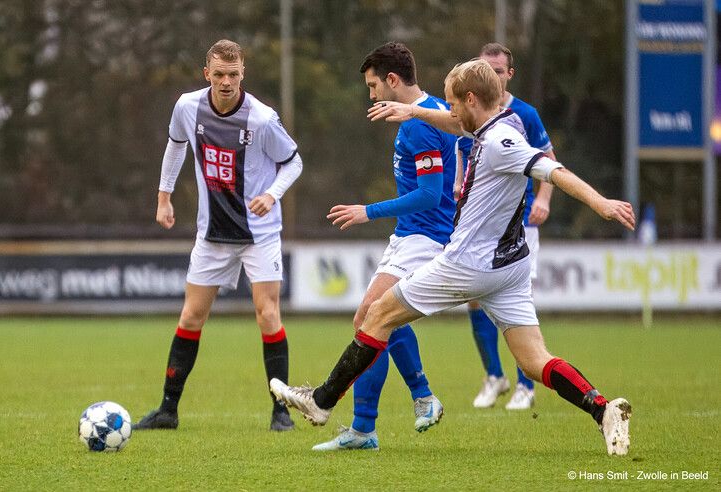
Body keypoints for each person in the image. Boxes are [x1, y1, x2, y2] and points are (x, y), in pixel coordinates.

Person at [271, 59, 635, 456]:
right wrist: (411, 110)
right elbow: (451, 123)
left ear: (472, 99)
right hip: (509, 267)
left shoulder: (500, 142)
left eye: (452, 103)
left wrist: (601, 203)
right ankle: (603, 409)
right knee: (533, 361)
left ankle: (322, 402)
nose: (449, 111)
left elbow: (553, 170)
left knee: (376, 314)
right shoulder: (500, 122)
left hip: (467, 264)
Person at [134, 39, 303, 432]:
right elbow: (176, 147)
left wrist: (271, 194)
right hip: (211, 234)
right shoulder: (186, 107)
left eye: (234, 74)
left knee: (268, 314)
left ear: (243, 73)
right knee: (192, 316)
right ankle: (167, 411)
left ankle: (280, 410)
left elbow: (293, 162)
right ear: (206, 73)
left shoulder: (261, 118)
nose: (226, 81)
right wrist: (164, 198)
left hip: (258, 233)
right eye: (219, 74)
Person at [312, 42, 464, 451]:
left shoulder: (419, 124)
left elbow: (431, 195)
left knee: (371, 318)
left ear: (393, 80)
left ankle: (380, 420)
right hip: (409, 234)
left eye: (374, 85)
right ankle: (403, 407)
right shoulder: (429, 113)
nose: (372, 94)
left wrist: (368, 210)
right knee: (376, 319)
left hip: (424, 236)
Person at [460, 43, 556, 410]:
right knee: (473, 299)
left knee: (519, 301)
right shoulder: (471, 110)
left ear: (509, 74)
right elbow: (461, 153)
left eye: (498, 71)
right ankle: (494, 376)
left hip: (519, 221)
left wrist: (544, 199)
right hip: (480, 224)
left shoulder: (524, 114)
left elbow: (548, 160)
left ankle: (524, 385)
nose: (492, 76)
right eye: (485, 69)